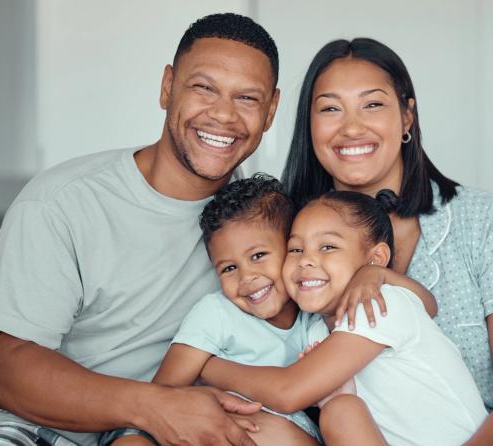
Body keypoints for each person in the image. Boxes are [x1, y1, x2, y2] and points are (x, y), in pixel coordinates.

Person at [0, 13, 282, 446]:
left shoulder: (272, 222)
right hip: (44, 426)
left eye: (247, 98)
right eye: (203, 88)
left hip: (177, 432)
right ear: (167, 87)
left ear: (271, 111)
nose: (223, 115)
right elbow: (8, 373)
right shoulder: (64, 200)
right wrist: (155, 406)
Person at [281, 38, 493, 445]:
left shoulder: (482, 219)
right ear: (310, 124)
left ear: (407, 116)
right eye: (330, 108)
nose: (351, 126)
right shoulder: (285, 242)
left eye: (372, 104)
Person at [107, 175, 437, 446]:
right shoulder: (216, 314)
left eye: (259, 256)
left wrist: (376, 273)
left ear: (291, 250)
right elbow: (163, 395)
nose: (247, 278)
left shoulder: (315, 316)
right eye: (228, 268)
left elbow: (427, 307)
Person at [200, 189, 489, 446]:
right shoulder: (316, 332)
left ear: (375, 258)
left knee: (339, 412)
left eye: (327, 247)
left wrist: (207, 365)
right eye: (296, 249)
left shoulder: (379, 303)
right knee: (338, 410)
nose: (306, 260)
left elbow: (288, 391)